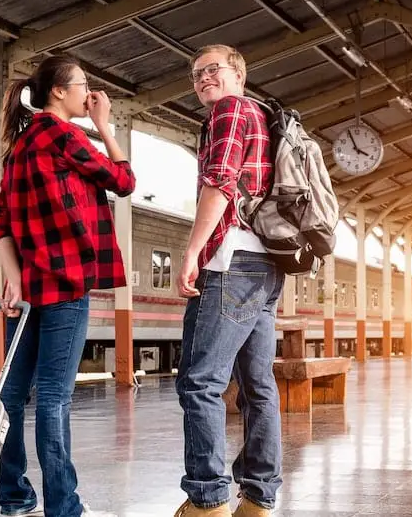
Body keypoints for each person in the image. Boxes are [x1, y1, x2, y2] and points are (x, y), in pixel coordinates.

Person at [0, 54, 135, 517]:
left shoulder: (21, 146)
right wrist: (104, 124)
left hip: (29, 293)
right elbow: (124, 181)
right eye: (82, 85)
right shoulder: (66, 136)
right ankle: (63, 508)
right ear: (59, 92)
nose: (87, 93)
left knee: (10, 396)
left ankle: (14, 499)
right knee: (53, 398)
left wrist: (13, 277)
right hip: (68, 287)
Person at [174, 44, 283, 517]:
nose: (203, 80)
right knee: (258, 386)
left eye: (213, 69)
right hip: (265, 265)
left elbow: (220, 182)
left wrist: (193, 251)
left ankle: (209, 499)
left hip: (231, 261)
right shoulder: (260, 113)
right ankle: (258, 498)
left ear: (239, 73)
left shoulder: (231, 109)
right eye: (197, 75)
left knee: (200, 383)